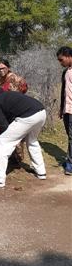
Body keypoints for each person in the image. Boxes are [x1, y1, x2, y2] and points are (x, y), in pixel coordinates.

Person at [0, 88, 46, 188]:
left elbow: (4, 125)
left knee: (3, 141)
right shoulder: (0, 95)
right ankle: (41, 171)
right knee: (32, 140)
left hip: (28, 116)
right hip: (41, 111)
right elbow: (8, 117)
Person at [57, 46, 72, 175]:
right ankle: (69, 160)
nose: (60, 63)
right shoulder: (66, 72)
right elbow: (64, 92)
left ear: (68, 56)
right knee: (70, 136)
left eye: (61, 60)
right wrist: (61, 109)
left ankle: (70, 164)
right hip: (67, 109)